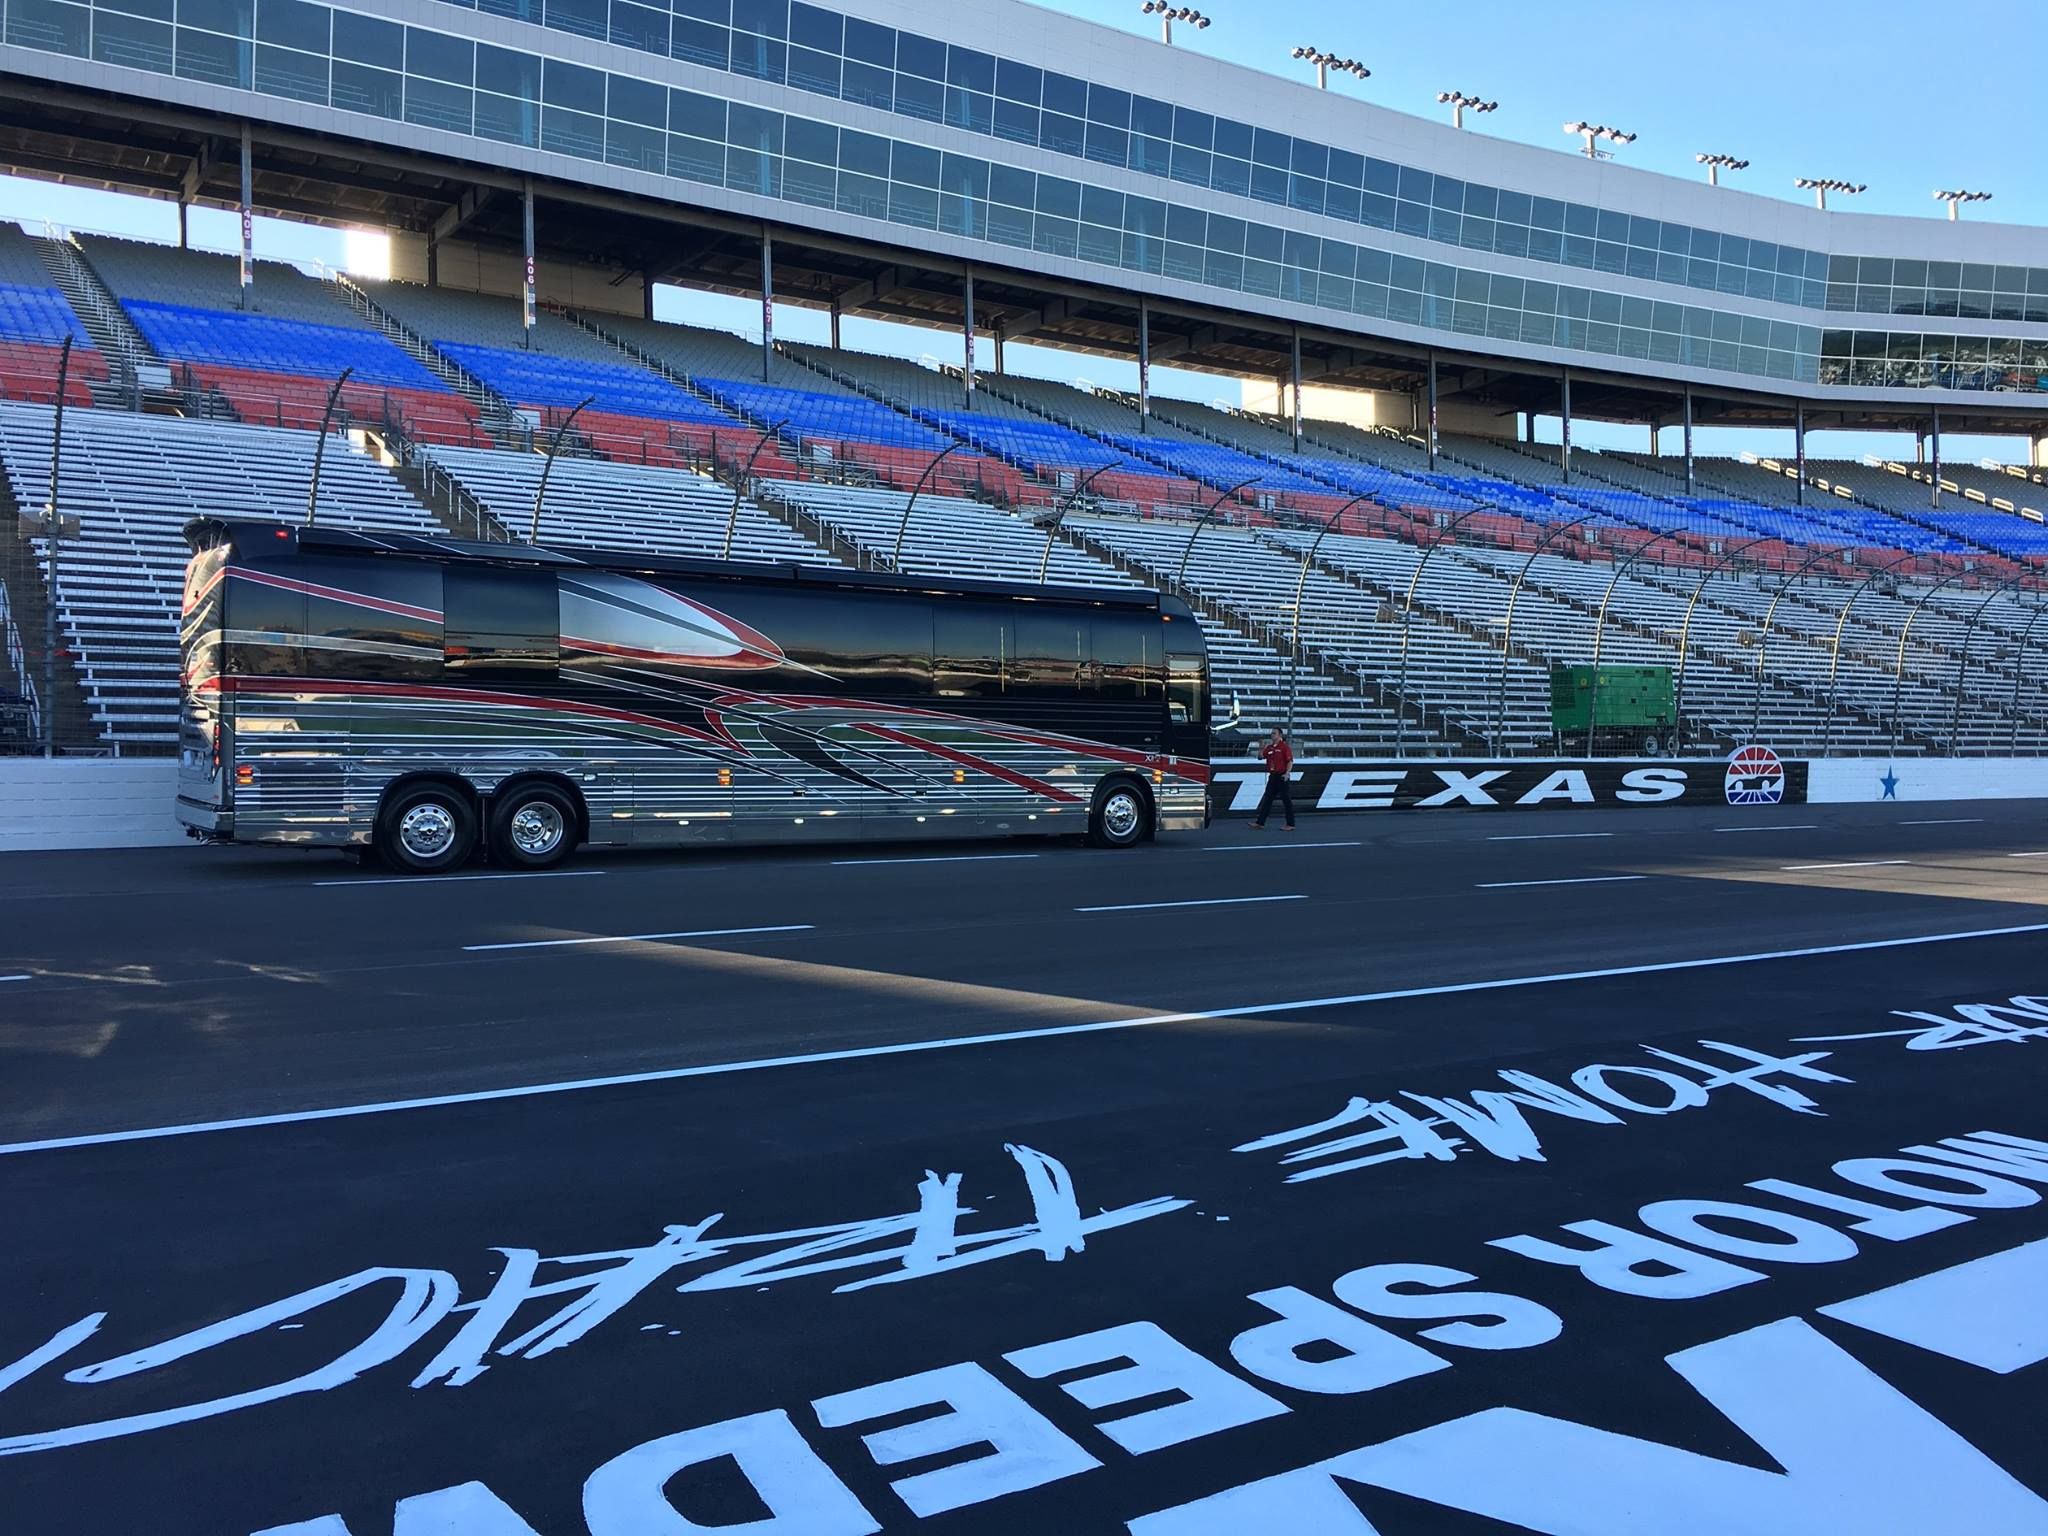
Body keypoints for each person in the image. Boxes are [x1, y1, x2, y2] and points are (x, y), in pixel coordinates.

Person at [1251, 726, 1295, 831]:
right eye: (1272, 733)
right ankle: (1260, 823)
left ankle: (1290, 824)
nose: (1272, 735)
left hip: (1282, 776)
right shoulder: (1270, 747)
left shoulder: (1284, 747)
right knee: (1267, 800)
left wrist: (1287, 773)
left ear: (1280, 735)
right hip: (1273, 777)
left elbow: (1290, 761)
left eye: (1274, 733)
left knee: (1286, 800)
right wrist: (1261, 747)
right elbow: (1260, 757)